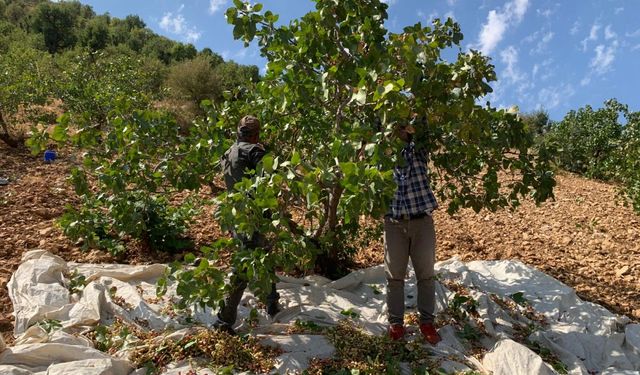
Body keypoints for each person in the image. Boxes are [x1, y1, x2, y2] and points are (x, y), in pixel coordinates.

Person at [214, 115, 280, 334]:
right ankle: (224, 321)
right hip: (253, 217)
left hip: (236, 216)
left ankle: (272, 301)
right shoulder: (255, 152)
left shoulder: (228, 153)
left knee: (265, 256)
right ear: (256, 134)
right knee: (243, 267)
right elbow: (271, 178)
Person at [384, 122, 441, 344]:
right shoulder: (383, 156)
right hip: (394, 223)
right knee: (394, 277)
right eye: (394, 127)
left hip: (422, 222)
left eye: (402, 128)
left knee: (426, 276)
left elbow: (426, 130)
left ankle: (427, 323)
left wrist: (413, 125)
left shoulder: (419, 150)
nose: (398, 131)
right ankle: (396, 324)